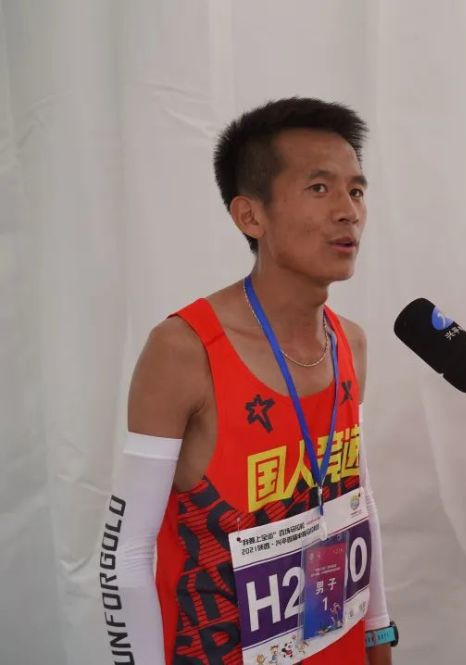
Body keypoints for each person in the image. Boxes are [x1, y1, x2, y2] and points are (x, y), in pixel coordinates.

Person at [97, 98, 394, 665]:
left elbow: (356, 497)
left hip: (338, 641)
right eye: (319, 188)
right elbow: (126, 555)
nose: (348, 211)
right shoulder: (185, 350)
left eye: (356, 190)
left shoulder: (349, 341)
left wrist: (379, 632)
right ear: (250, 216)